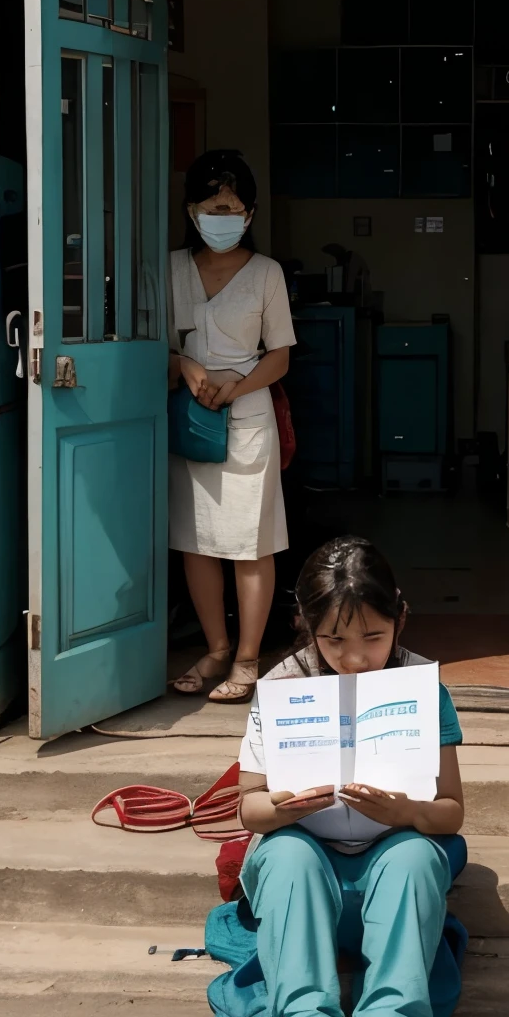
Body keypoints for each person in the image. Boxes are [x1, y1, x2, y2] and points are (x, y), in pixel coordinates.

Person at [235, 536, 466, 1017]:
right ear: (305, 625)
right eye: (333, 640)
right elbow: (249, 812)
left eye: (373, 637)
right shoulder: (283, 688)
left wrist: (404, 813)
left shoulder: (421, 686)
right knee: (286, 858)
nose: (355, 658)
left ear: (400, 618)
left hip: (393, 849)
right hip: (305, 849)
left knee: (416, 857)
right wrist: (285, 806)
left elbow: (450, 814)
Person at [168, 149, 296, 705]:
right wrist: (189, 368)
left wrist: (234, 385)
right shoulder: (169, 268)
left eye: (234, 206)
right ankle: (216, 648)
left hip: (246, 419)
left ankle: (247, 659)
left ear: (250, 213)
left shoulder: (267, 273)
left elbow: (280, 357)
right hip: (192, 418)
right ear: (191, 210)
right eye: (212, 206)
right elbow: (157, 346)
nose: (223, 215)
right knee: (195, 543)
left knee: (250, 543)